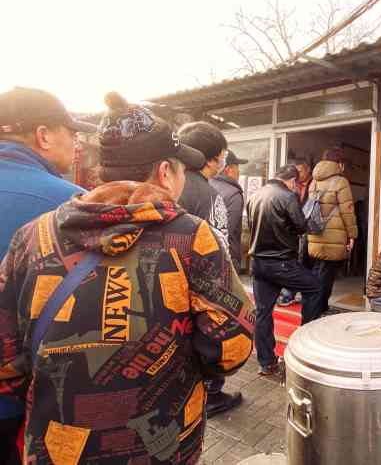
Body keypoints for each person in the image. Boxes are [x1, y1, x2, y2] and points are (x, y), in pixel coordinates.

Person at [0, 92, 255, 464]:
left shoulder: (33, 236)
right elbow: (231, 349)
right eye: (182, 169)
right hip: (161, 448)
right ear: (165, 173)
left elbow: (6, 359)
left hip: (58, 448)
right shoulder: (191, 237)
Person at [0, 86, 96, 464]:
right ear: (43, 135)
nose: (77, 144)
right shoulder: (73, 206)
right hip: (17, 403)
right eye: (71, 134)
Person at [176, 122, 241, 417]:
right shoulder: (209, 193)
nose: (224, 163)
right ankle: (211, 395)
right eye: (223, 156)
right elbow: (219, 249)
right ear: (211, 158)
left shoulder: (169, 183)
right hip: (198, 290)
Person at [247, 165, 323, 375]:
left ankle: (267, 363)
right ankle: (304, 347)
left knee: (263, 312)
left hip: (258, 264)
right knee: (315, 288)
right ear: (291, 181)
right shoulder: (288, 196)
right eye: (295, 183)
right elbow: (300, 227)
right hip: (281, 263)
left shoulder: (255, 195)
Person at [305, 147, 358, 313]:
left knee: (318, 273)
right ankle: (317, 309)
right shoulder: (340, 182)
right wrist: (352, 235)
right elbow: (347, 211)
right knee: (326, 276)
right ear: (339, 164)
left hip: (315, 233)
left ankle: (317, 307)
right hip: (333, 237)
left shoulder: (314, 181)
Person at [277, 158, 313, 306]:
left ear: (308, 170)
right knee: (294, 263)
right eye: (296, 171)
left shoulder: (314, 184)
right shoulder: (291, 189)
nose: (298, 174)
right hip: (294, 232)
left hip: (308, 231)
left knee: (303, 263)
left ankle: (294, 293)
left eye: (300, 170)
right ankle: (289, 293)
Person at [210, 149, 248, 272]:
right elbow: (227, 231)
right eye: (237, 168)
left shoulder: (207, 185)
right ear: (228, 169)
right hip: (227, 259)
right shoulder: (234, 194)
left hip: (206, 256)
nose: (239, 172)